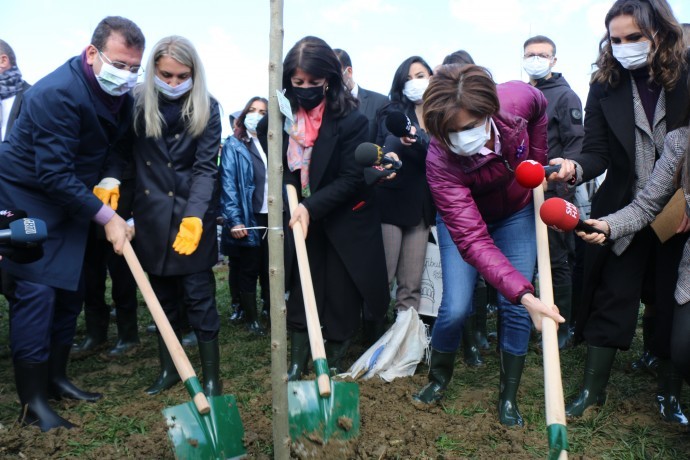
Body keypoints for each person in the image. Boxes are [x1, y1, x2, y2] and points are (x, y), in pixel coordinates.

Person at [0, 16, 143, 431]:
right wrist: (109, 217)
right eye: (120, 64)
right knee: (38, 291)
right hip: (27, 197)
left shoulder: (122, 96)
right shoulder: (56, 94)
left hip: (70, 200)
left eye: (135, 67)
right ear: (92, 54)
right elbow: (52, 175)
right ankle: (32, 402)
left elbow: (118, 146)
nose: (127, 75)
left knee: (71, 287)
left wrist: (112, 178)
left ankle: (57, 378)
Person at [552, 0, 690, 423]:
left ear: (661, 34)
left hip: (678, 210)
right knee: (614, 291)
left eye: (635, 37)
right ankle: (593, 391)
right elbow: (596, 151)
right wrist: (574, 168)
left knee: (670, 298)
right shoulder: (604, 84)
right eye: (616, 39)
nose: (625, 46)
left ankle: (669, 394)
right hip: (624, 205)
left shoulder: (686, 74)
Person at [413, 64, 565, 428]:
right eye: (450, 132)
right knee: (455, 307)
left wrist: (537, 162)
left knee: (514, 310)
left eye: (468, 127)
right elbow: (474, 240)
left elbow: (541, 107)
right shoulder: (439, 159)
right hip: (464, 226)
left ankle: (508, 396)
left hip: (515, 213)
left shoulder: (516, 99)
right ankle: (439, 378)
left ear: (488, 113)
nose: (459, 138)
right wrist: (526, 295)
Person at [106, 35, 222, 397]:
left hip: (192, 217)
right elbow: (121, 154)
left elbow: (205, 168)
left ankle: (212, 377)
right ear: (153, 71)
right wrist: (111, 181)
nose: (173, 83)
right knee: (161, 301)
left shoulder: (208, 107)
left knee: (200, 299)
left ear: (193, 74)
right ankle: (168, 369)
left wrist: (196, 216)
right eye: (166, 75)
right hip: (151, 217)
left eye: (181, 76)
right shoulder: (135, 104)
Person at [275, 36, 390, 378]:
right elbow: (284, 169)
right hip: (303, 217)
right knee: (302, 287)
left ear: (329, 79)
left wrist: (311, 206)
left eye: (314, 82)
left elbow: (352, 178)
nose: (306, 89)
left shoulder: (352, 121)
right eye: (298, 83)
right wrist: (296, 200)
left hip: (344, 217)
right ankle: (298, 360)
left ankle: (335, 357)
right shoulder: (283, 120)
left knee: (341, 292)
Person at [577, 123, 690, 425]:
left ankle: (672, 395)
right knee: (683, 349)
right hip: (685, 263)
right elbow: (647, 204)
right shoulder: (680, 141)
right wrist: (610, 226)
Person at [523, 35, 584, 349]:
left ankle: (562, 330)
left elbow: (574, 146)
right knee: (531, 261)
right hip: (523, 190)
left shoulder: (565, 96)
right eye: (530, 54)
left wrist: (559, 182)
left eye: (542, 54)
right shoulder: (525, 94)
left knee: (557, 260)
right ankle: (534, 320)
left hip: (553, 191)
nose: (535, 59)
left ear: (554, 60)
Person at [375, 56, 436, 338]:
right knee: (382, 278)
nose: (415, 83)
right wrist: (399, 141)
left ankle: (402, 341)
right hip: (391, 205)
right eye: (408, 78)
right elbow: (385, 145)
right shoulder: (393, 114)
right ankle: (373, 336)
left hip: (423, 211)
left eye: (421, 75)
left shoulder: (441, 114)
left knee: (411, 284)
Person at [73, 166, 139, 357]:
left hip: (120, 197)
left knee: (121, 272)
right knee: (90, 273)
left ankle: (128, 335)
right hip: (86, 195)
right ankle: (95, 334)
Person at [220, 96, 269, 336]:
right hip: (250, 217)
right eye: (253, 110)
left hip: (275, 216)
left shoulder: (274, 143)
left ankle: (271, 309)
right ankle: (251, 318)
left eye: (262, 112)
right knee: (248, 267)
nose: (257, 115)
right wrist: (235, 218)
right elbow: (229, 185)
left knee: (272, 267)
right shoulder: (234, 145)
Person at [334, 48, 389, 143]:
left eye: (335, 74)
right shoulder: (324, 106)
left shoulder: (380, 102)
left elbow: (390, 136)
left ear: (349, 72)